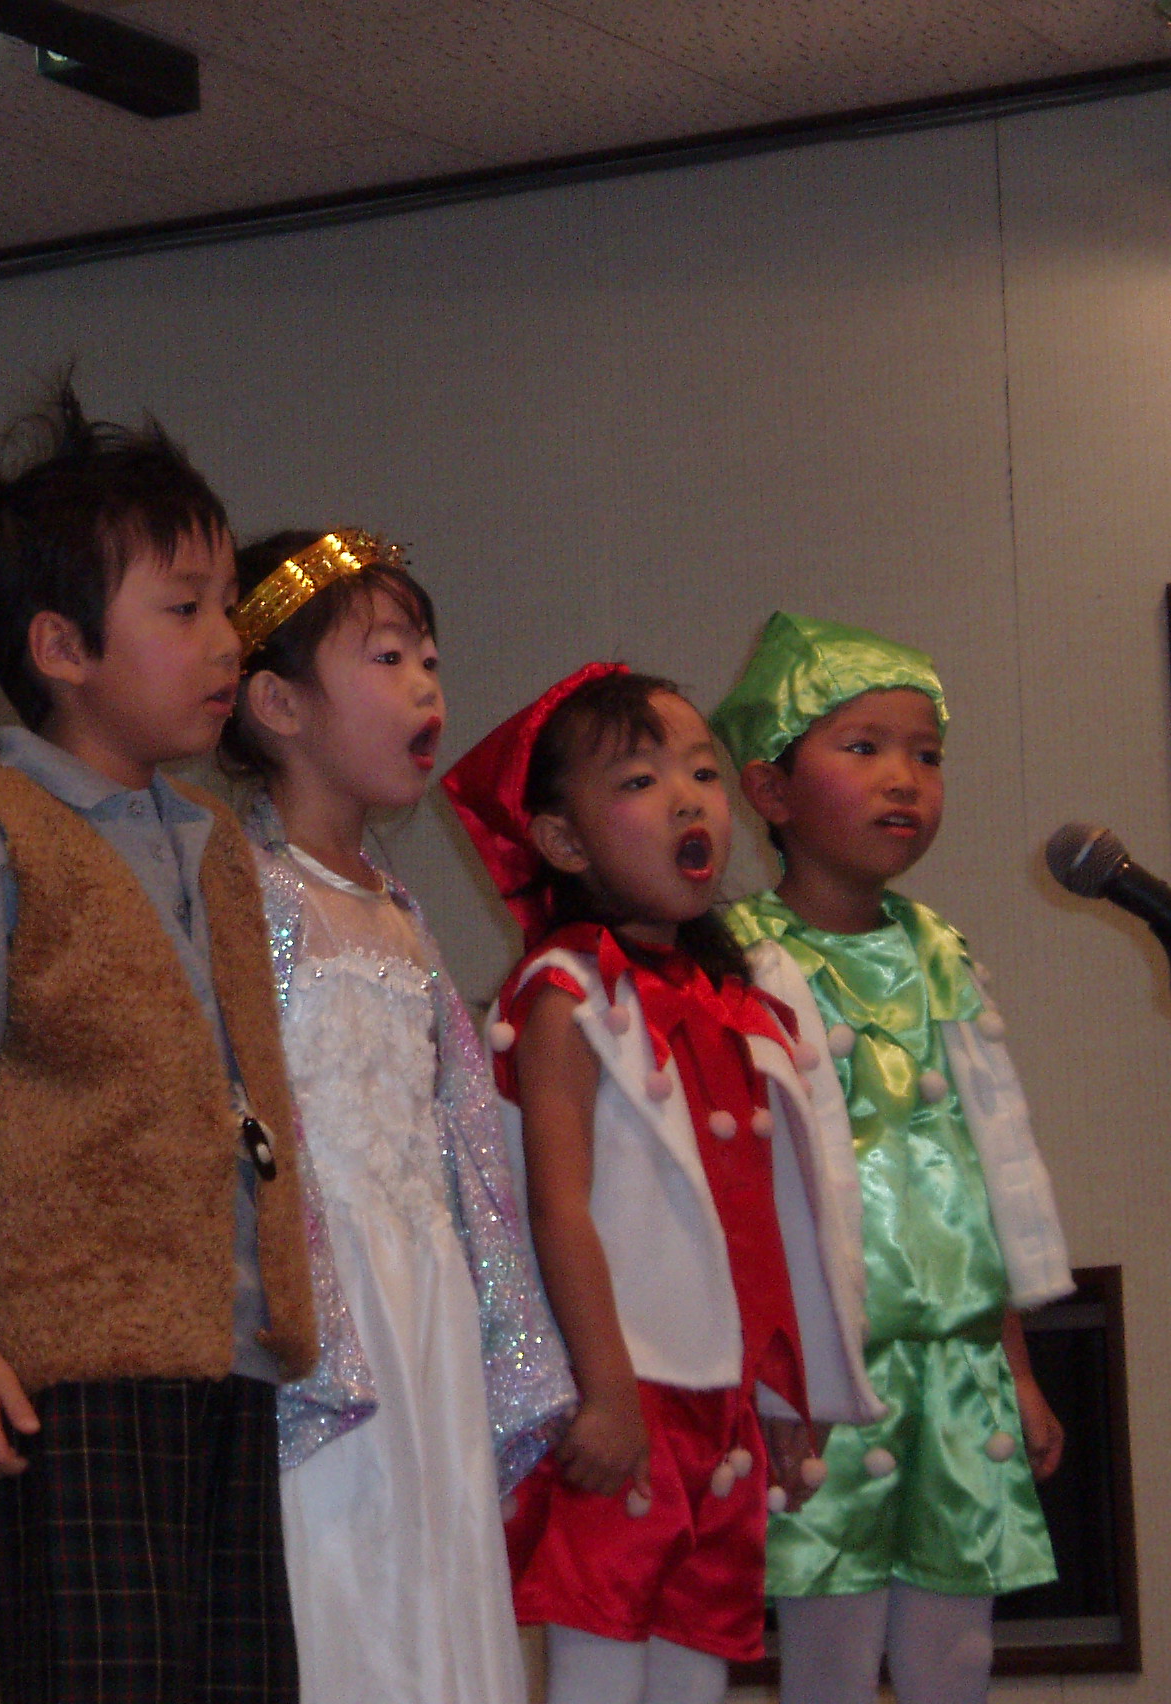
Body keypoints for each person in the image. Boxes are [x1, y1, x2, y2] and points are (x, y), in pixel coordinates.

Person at [0, 383, 319, 1704]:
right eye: (183, 609)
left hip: (227, 1357)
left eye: (226, 605)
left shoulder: (213, 841)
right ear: (62, 647)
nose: (224, 640)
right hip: (74, 1364)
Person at [440, 664, 879, 1704]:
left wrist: (792, 1387)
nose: (688, 799)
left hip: (722, 1400)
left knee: (696, 1663)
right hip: (625, 1392)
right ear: (562, 841)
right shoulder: (566, 993)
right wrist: (602, 1390)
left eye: (701, 773)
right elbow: (556, 1204)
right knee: (601, 1659)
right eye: (640, 781)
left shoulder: (739, 1002)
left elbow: (781, 1219)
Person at [221, 528, 574, 1704]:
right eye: (386, 658)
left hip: (428, 1299)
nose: (426, 686)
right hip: (332, 1308)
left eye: (429, 658)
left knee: (439, 1577)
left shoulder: (399, 908)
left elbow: (457, 1126)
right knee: (347, 1584)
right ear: (277, 702)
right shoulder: (247, 893)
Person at [712, 612, 1071, 1704]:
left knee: (957, 1651)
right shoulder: (740, 961)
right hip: (831, 1376)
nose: (903, 778)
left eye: (926, 753)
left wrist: (1014, 1367)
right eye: (862, 747)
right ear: (770, 790)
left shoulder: (939, 951)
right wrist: (769, 1384)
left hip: (959, 1366)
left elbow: (982, 1169)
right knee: (829, 1642)